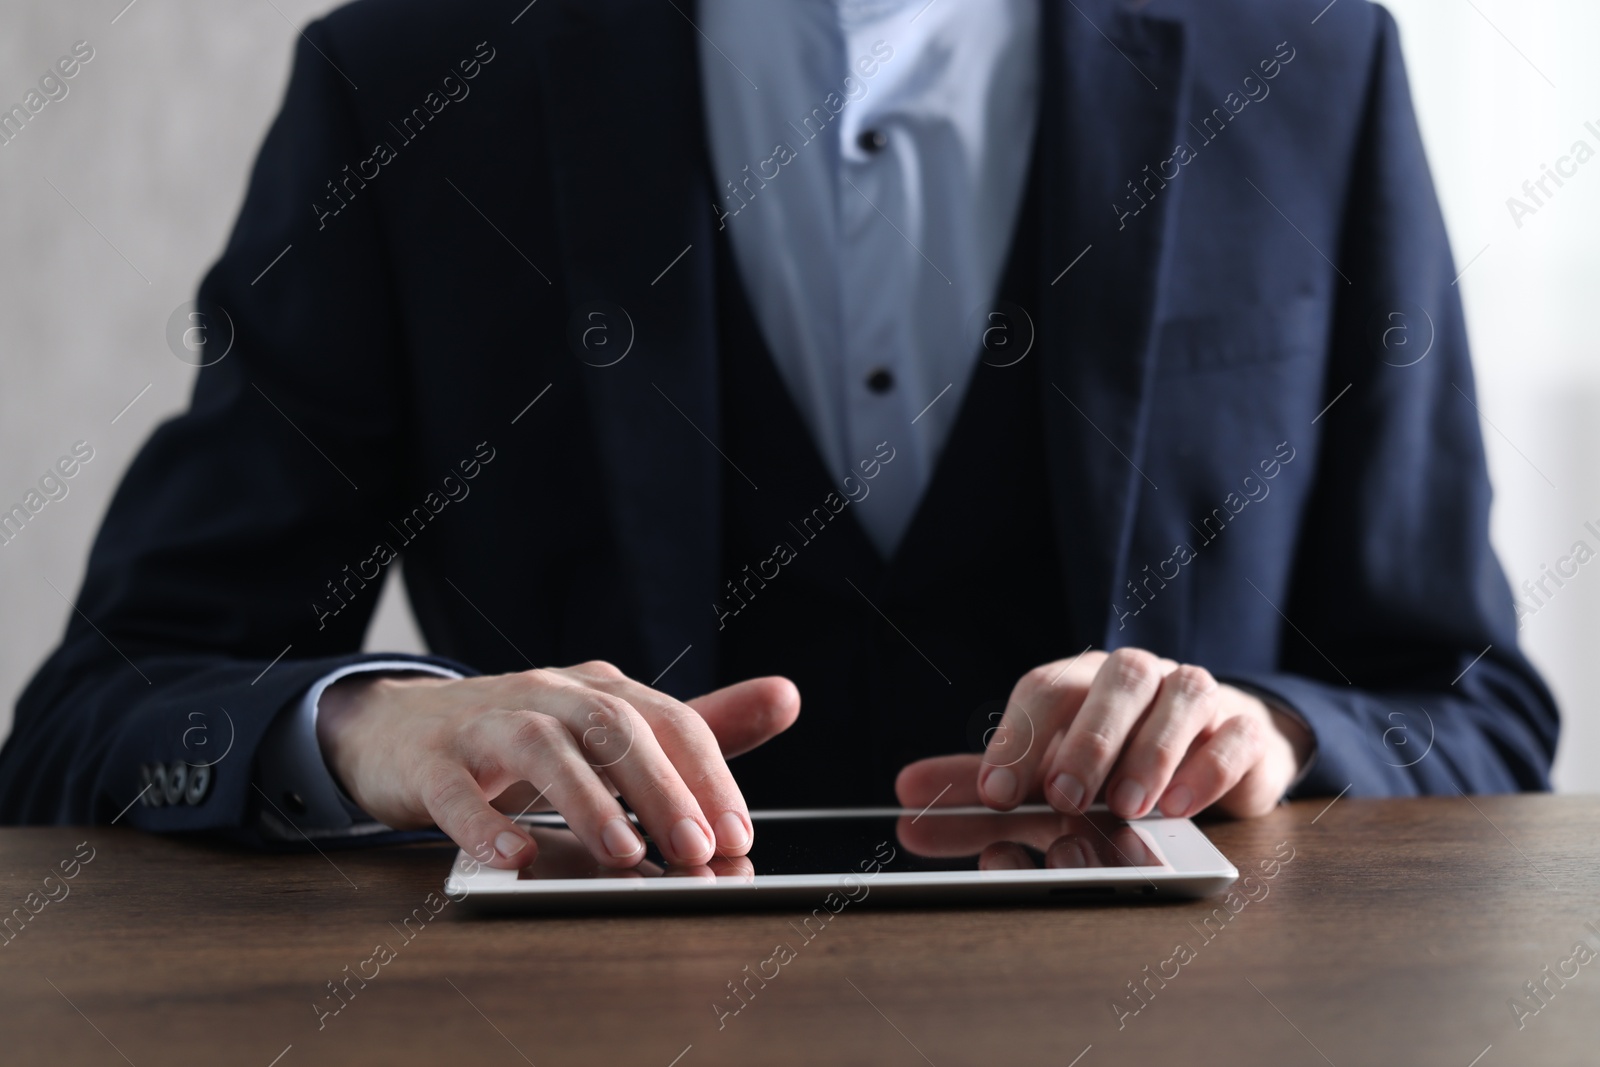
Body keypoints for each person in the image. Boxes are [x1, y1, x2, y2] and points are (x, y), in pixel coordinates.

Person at [0, 0, 1557, 873]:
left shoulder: (1306, 62)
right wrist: (372, 726)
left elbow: (1472, 714)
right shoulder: (410, 82)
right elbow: (100, 711)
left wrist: (1271, 739)